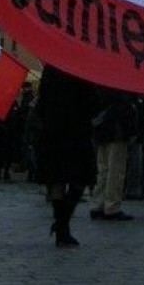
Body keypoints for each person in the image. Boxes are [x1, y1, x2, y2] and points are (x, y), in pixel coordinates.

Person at [36, 66, 100, 247]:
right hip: (76, 132)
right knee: (80, 179)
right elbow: (93, 102)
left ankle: (61, 225)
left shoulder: (51, 68)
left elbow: (42, 100)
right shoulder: (80, 68)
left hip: (53, 130)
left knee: (57, 179)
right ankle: (62, 224)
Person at [89, 88, 138, 221]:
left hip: (101, 130)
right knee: (116, 170)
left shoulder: (98, 82)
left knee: (102, 169)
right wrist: (131, 130)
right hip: (117, 131)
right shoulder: (120, 85)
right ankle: (112, 206)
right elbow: (124, 106)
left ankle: (98, 204)